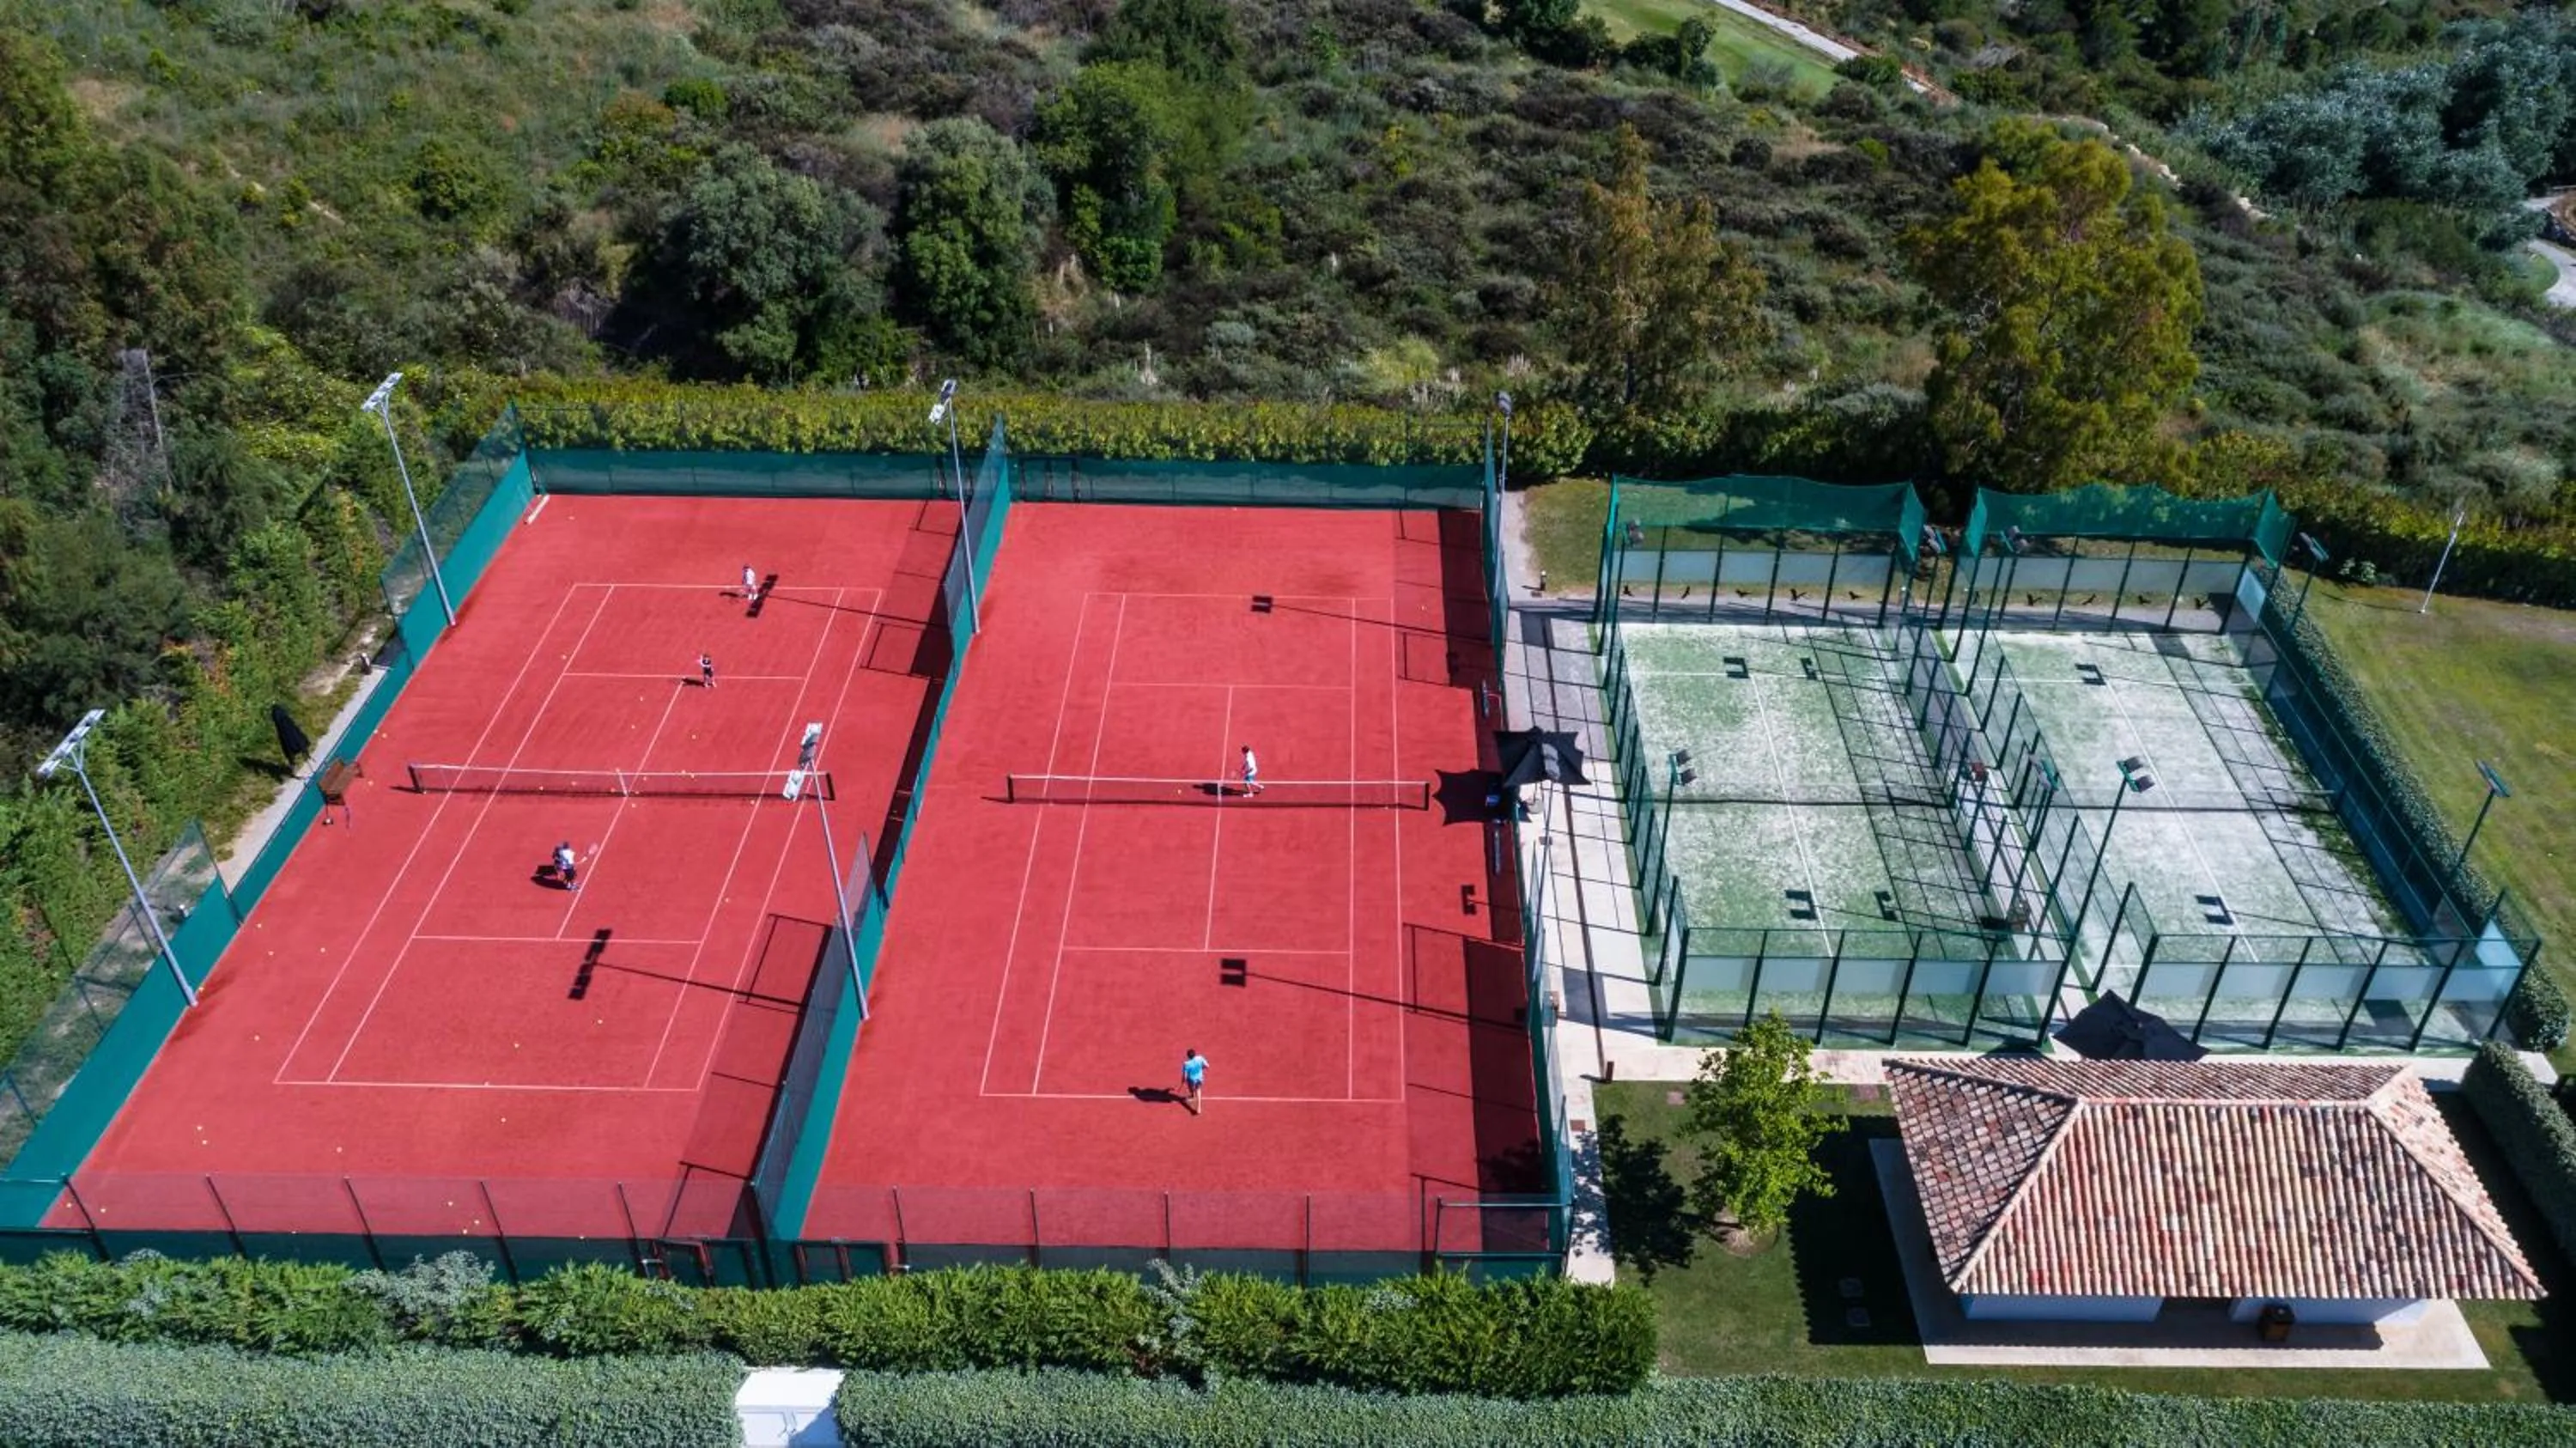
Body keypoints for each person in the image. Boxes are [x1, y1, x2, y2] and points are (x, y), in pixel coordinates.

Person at [1181, 1048, 1209, 1116]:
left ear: (1188, 1056)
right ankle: (1199, 1108)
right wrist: (1201, 1068)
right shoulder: (1200, 1058)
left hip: (1191, 1080)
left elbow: (1185, 1076)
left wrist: (1183, 1080)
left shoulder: (1186, 1064)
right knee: (1198, 1090)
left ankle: (1192, 1094)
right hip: (1199, 1078)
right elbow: (1207, 1066)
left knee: (1191, 1088)